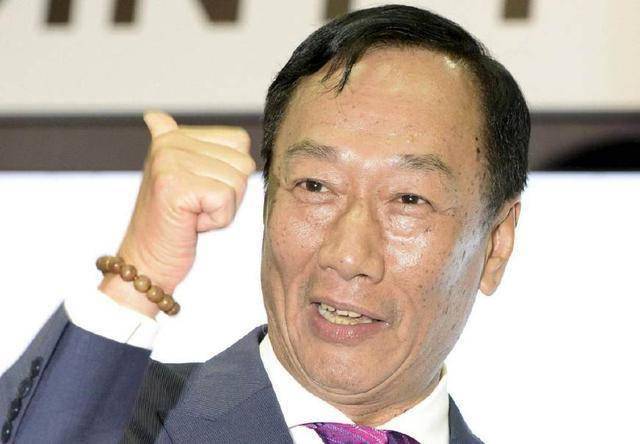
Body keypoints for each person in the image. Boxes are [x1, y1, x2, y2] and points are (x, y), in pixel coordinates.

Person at [0, 4, 529, 443]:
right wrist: (141, 272)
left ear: (496, 244)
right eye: (315, 186)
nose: (348, 255)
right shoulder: (128, 424)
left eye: (409, 199)